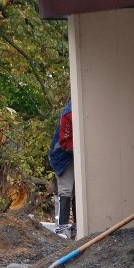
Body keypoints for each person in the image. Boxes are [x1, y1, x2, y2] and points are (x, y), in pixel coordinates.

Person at [48, 100, 75, 238]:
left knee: (79, 192)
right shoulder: (69, 114)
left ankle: (77, 227)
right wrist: (82, 145)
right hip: (63, 157)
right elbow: (64, 142)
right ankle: (61, 230)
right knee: (65, 191)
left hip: (77, 156)